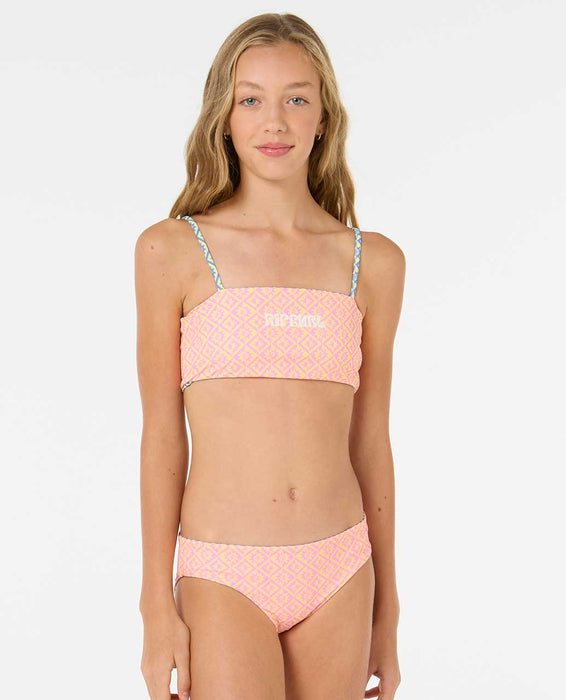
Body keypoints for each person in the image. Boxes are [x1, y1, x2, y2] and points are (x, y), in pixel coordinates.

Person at [135, 12, 405, 700]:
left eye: (297, 99)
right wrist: (154, 604)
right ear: (223, 119)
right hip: (223, 573)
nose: (275, 121)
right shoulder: (172, 251)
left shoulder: (373, 263)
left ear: (324, 117)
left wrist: (389, 611)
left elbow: (371, 441)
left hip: (341, 568)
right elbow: (162, 436)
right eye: (251, 99)